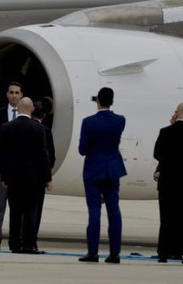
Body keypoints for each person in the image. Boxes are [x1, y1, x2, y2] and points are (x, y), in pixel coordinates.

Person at [0, 98, 54, 254]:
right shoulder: (38, 129)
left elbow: (3, 155)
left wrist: (4, 178)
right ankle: (29, 244)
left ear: (18, 108)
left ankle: (14, 244)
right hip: (33, 179)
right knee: (30, 211)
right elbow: (43, 155)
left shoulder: (6, 127)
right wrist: (48, 178)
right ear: (32, 109)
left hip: (14, 178)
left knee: (15, 211)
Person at [78, 86, 127, 264]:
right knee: (114, 209)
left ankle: (93, 252)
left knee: (94, 210)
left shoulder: (88, 122)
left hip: (94, 168)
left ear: (97, 100)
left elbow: (82, 150)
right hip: (113, 167)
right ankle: (115, 253)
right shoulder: (120, 120)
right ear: (112, 101)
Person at [0, 81, 23, 250]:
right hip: (2, 167)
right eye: (11, 92)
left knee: (18, 206)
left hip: (19, 169)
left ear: (21, 95)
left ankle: (16, 240)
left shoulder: (25, 115)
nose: (14, 95)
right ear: (7, 94)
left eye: (17, 93)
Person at [153, 102, 183, 262]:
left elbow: (157, 154)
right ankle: (179, 251)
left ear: (176, 113)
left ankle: (163, 252)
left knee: (166, 218)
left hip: (168, 181)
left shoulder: (165, 132)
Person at [32, 100, 56, 246]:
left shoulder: (15, 126)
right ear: (45, 115)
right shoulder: (45, 131)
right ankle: (32, 239)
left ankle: (16, 240)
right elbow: (50, 157)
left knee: (19, 209)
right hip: (38, 178)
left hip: (19, 177)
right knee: (36, 209)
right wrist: (47, 177)